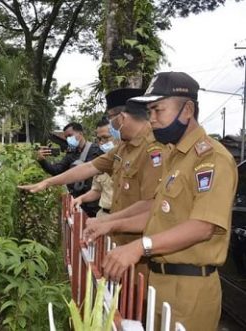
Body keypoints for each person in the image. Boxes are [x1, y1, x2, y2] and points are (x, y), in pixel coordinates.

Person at [84, 72, 238, 330]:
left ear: (187, 110)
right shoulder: (174, 156)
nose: (152, 119)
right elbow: (157, 210)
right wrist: (110, 224)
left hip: (190, 289)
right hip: (160, 281)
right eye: (149, 111)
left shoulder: (211, 159)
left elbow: (203, 226)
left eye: (158, 110)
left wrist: (138, 247)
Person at [21, 88, 164, 248]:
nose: (110, 125)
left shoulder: (154, 149)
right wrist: (48, 182)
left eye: (110, 119)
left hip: (143, 245)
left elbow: (151, 204)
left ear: (121, 118)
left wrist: (110, 221)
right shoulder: (124, 147)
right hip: (120, 239)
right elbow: (89, 167)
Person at [37, 122, 101, 216]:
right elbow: (57, 170)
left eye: (70, 135)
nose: (68, 139)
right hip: (78, 202)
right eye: (66, 137)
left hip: (95, 203)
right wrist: (42, 161)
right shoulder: (71, 153)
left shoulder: (96, 151)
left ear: (80, 134)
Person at [72, 117, 115, 217]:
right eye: (99, 139)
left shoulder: (130, 161)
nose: (101, 142)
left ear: (118, 135)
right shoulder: (101, 161)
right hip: (103, 214)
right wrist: (81, 199)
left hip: (122, 218)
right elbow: (97, 190)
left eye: (105, 137)